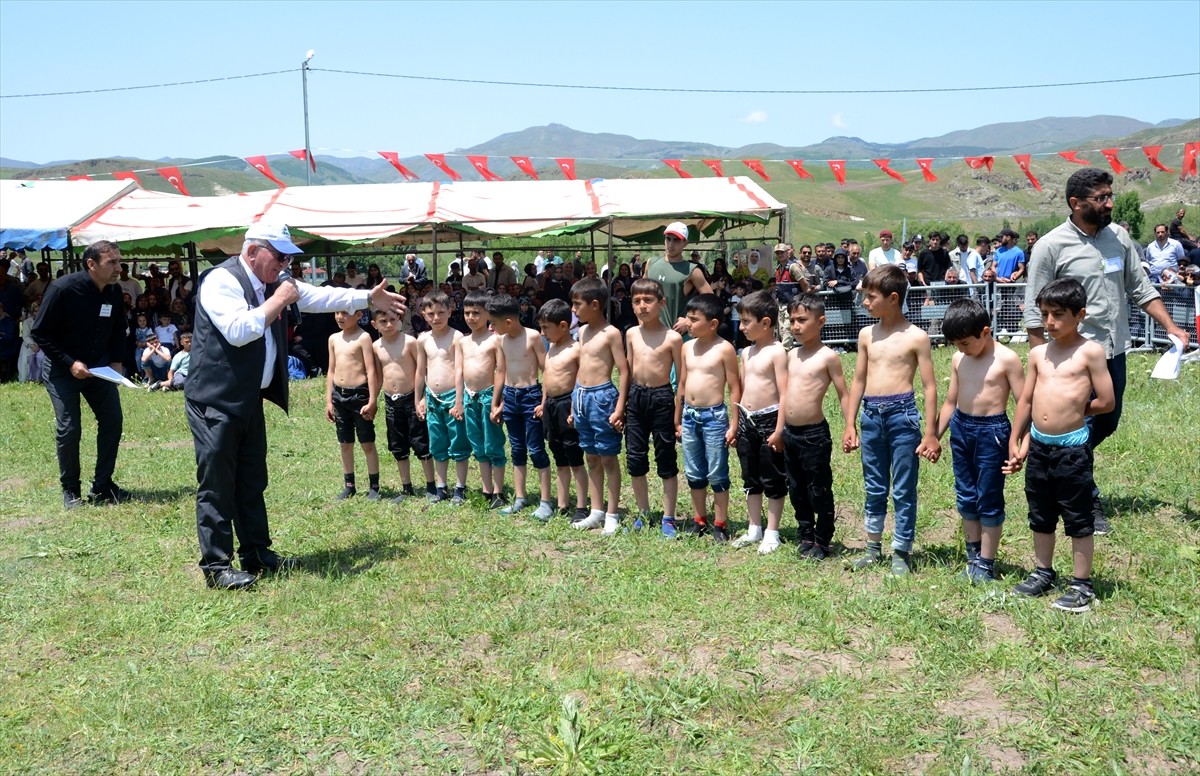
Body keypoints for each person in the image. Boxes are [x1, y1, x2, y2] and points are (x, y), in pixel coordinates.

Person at [185, 223, 405, 590]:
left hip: (248, 397)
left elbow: (320, 297)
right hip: (215, 398)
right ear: (253, 251)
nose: (286, 262)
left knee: (252, 478)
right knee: (217, 483)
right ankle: (216, 565)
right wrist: (280, 298)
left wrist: (368, 298)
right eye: (279, 254)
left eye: (289, 256)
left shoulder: (277, 283)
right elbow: (240, 330)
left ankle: (256, 552)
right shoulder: (221, 281)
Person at [1023, 168, 1189, 534]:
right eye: (1101, 198)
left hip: (1113, 351)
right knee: (1078, 424)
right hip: (1070, 357)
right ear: (1076, 203)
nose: (1110, 203)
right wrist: (1042, 366)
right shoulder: (1051, 246)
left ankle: (1058, 460)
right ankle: (1084, 497)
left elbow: (1141, 288)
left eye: (1110, 195)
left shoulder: (1118, 238)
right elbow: (1035, 312)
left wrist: (1173, 327)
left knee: (1107, 419)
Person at [1005, 279, 1114, 612]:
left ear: (1080, 314)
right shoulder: (1039, 353)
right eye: (1044, 314)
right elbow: (1026, 399)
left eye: (1058, 314)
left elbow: (1107, 401)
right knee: (1040, 513)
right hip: (1039, 446)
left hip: (1071, 451)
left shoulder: (1090, 352)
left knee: (1077, 517)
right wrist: (1016, 437)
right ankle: (1043, 572)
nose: (1049, 322)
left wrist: (1077, 410)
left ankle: (1082, 585)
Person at [843, 265, 941, 575]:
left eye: (871, 297)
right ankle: (873, 547)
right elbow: (858, 380)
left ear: (893, 298)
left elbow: (929, 386)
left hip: (903, 417)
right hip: (871, 415)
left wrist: (930, 433)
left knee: (902, 488)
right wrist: (850, 423)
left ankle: (901, 550)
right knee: (874, 486)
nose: (865, 303)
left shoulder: (916, 337)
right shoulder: (866, 335)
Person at [31, 241, 130, 509]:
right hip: (62, 369)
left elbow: (119, 327)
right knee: (69, 428)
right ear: (91, 264)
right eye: (112, 263)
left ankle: (102, 485)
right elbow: (40, 332)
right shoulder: (63, 288)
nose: (118, 269)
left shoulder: (114, 292)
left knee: (112, 421)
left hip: (99, 369)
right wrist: (70, 362)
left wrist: (117, 362)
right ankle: (71, 491)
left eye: (119, 262)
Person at [933, 299, 1025, 583]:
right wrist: (934, 436)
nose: (961, 349)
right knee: (966, 495)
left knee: (988, 497)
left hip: (992, 432)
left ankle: (987, 562)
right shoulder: (959, 359)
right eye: (956, 344)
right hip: (962, 428)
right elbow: (951, 401)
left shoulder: (1007, 359)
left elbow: (1024, 405)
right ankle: (973, 556)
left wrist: (1020, 446)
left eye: (965, 343)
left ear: (985, 332)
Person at [676, 294, 740, 542]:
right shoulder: (686, 348)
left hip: (714, 417)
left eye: (694, 319)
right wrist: (677, 418)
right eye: (688, 318)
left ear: (713, 324)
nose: (688, 323)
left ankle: (720, 524)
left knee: (717, 471)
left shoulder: (724, 349)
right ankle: (698, 519)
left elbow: (735, 388)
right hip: (689, 416)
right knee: (694, 470)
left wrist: (734, 423)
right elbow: (681, 385)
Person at [568, 278, 630, 534]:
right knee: (591, 456)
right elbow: (580, 367)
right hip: (580, 397)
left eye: (576, 304)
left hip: (602, 397)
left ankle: (613, 514)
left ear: (595, 305)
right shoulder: (582, 332)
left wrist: (619, 407)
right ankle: (596, 511)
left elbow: (624, 371)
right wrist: (573, 403)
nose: (573, 309)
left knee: (608, 457)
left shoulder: (611, 333)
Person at [730, 291, 788, 554]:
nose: (741, 327)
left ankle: (773, 532)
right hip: (747, 420)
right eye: (740, 322)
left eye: (745, 322)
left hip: (770, 420)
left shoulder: (777, 352)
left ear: (765, 323)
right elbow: (742, 388)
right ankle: (755, 528)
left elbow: (785, 393)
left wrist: (779, 430)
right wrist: (736, 423)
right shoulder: (746, 352)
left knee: (773, 476)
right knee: (750, 476)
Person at [623, 278, 683, 536]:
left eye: (648, 300)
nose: (642, 306)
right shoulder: (631, 334)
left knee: (665, 458)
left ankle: (668, 517)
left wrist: (678, 416)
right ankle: (643, 512)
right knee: (635, 458)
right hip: (636, 399)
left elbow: (681, 380)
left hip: (661, 399)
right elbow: (626, 371)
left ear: (662, 303)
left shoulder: (673, 338)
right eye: (637, 301)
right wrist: (621, 406)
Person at [488, 293, 555, 521]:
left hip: (531, 396)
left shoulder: (533, 337)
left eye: (494, 323)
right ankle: (520, 497)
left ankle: (546, 502)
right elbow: (501, 371)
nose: (491, 327)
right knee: (516, 449)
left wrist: (544, 401)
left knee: (536, 449)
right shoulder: (501, 340)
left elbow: (546, 369)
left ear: (508, 322)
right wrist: (496, 402)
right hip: (510, 397)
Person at [371, 307, 433, 501]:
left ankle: (431, 485)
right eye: (383, 321)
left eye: (392, 319)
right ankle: (406, 487)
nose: (389, 324)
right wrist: (373, 399)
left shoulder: (410, 342)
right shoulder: (376, 347)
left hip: (412, 398)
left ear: (399, 318)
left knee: (421, 443)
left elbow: (423, 370)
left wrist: (422, 398)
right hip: (391, 401)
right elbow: (378, 375)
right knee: (398, 446)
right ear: (375, 324)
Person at [415, 290, 470, 505]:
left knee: (458, 442)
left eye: (440, 312)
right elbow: (420, 371)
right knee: (437, 443)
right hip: (432, 397)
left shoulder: (456, 337)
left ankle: (460, 487)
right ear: (423, 314)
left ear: (450, 311)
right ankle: (441, 487)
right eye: (431, 313)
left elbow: (459, 371)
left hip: (452, 397)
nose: (436, 318)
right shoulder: (422, 339)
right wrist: (418, 399)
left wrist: (459, 400)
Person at [536, 299, 589, 523]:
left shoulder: (576, 349)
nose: (543, 332)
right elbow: (547, 378)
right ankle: (562, 503)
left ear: (564, 326)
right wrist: (543, 402)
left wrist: (575, 408)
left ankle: (581, 505)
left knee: (574, 456)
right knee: (558, 456)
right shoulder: (552, 348)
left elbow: (581, 380)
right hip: (551, 407)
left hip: (568, 404)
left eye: (546, 327)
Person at [454, 291, 507, 509]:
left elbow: (502, 370)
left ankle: (499, 491)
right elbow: (458, 371)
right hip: (469, 396)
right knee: (477, 443)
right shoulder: (463, 342)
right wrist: (458, 401)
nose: (471, 317)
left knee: (493, 442)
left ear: (487, 314)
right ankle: (486, 490)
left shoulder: (496, 340)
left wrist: (496, 401)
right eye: (467, 312)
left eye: (476, 312)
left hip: (488, 395)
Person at [326, 308, 381, 500]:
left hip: (359, 396)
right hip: (339, 396)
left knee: (367, 442)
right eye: (337, 312)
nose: (340, 317)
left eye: (345, 313)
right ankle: (349, 485)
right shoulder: (333, 338)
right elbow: (331, 370)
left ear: (359, 315)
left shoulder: (363, 337)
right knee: (345, 443)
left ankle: (374, 485)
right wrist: (329, 400)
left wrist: (372, 399)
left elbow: (371, 370)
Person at [643, 222, 713, 334]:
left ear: (685, 243)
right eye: (668, 239)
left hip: (676, 336)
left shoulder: (692, 270)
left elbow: (711, 301)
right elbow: (640, 295)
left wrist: (689, 320)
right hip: (650, 333)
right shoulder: (651, 263)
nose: (671, 244)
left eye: (676, 240)